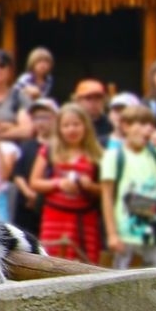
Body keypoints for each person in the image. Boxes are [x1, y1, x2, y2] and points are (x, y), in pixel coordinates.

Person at [100, 104, 156, 268]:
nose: (149, 129)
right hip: (127, 233)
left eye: (151, 125)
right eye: (143, 124)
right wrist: (112, 234)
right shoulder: (113, 155)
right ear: (126, 126)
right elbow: (107, 196)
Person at [30, 104, 104, 264]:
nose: (72, 130)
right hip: (55, 217)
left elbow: (106, 190)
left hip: (85, 220)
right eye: (66, 125)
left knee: (85, 263)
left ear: (85, 126)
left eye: (76, 124)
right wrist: (58, 183)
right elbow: (35, 182)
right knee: (53, 262)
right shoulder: (49, 150)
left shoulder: (97, 154)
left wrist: (89, 186)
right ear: (59, 128)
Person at [10, 99, 58, 230]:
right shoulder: (27, 145)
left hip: (50, 204)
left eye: (45, 117)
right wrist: (28, 192)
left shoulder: (60, 148)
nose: (40, 122)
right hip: (26, 206)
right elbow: (17, 173)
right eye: (36, 118)